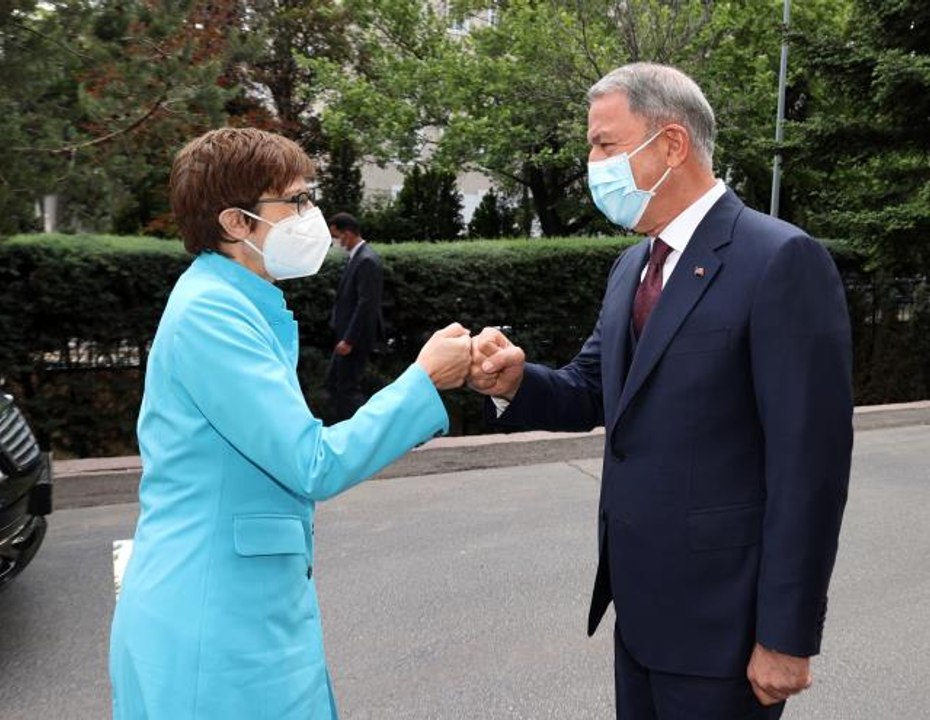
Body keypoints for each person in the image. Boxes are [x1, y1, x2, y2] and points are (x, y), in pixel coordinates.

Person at [468, 63, 853, 719]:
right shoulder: (632, 266)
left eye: (605, 145)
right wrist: (516, 383)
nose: (591, 163)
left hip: (725, 630)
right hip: (641, 617)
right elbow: (594, 388)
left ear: (671, 145)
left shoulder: (779, 260)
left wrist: (786, 637)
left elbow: (808, 469)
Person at [109, 127, 471, 720]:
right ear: (236, 223)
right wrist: (423, 380)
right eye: (296, 201)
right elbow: (311, 463)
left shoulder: (233, 300)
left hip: (241, 614)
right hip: (213, 627)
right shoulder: (212, 313)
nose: (313, 216)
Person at [325, 212, 384, 421]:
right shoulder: (359, 258)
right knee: (337, 383)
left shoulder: (366, 260)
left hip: (354, 338)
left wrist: (349, 339)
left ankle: (366, 431)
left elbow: (366, 304)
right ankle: (357, 431)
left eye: (336, 237)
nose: (335, 242)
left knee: (346, 387)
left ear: (347, 234)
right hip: (347, 336)